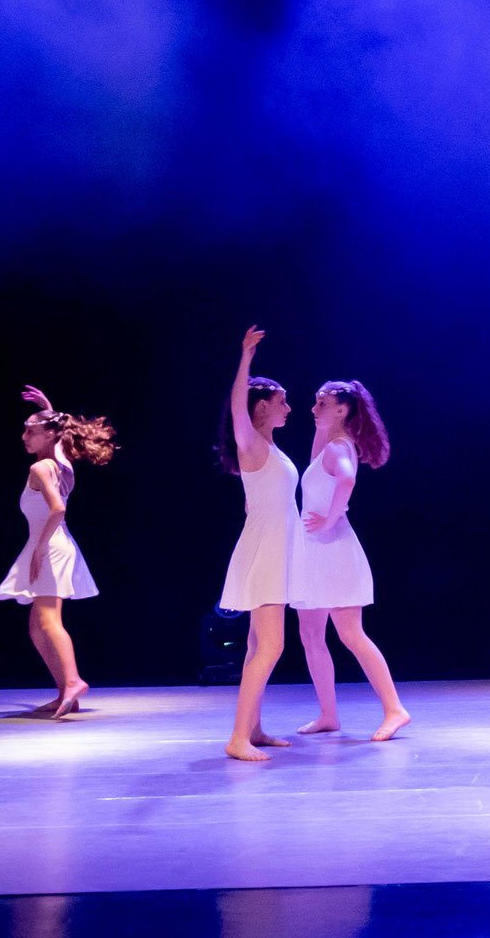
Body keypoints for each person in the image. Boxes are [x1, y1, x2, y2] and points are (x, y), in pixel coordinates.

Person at [292, 380, 411, 740]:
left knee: (350, 633)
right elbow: (321, 464)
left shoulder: (339, 447)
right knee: (310, 634)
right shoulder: (328, 445)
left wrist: (330, 519)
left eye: (322, 403)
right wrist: (323, 417)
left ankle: (395, 709)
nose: (314, 408)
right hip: (314, 552)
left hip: (334, 551)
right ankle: (328, 714)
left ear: (342, 410)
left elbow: (346, 480)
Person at [0, 385, 116, 718]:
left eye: (30, 431)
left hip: (50, 545)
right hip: (54, 544)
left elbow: (57, 509)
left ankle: (74, 681)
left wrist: (38, 550)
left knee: (49, 620)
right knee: (37, 628)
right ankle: (66, 692)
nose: (24, 436)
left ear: (48, 435)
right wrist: (47, 407)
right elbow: (58, 432)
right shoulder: (60, 463)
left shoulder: (40, 469)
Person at [218, 326, 300, 761]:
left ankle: (253, 729)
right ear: (263, 406)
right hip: (265, 554)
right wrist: (246, 357)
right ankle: (238, 738)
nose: (289, 408)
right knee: (271, 646)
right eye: (282, 401)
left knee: (257, 645)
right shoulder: (250, 444)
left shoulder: (272, 450)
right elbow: (237, 406)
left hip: (274, 551)